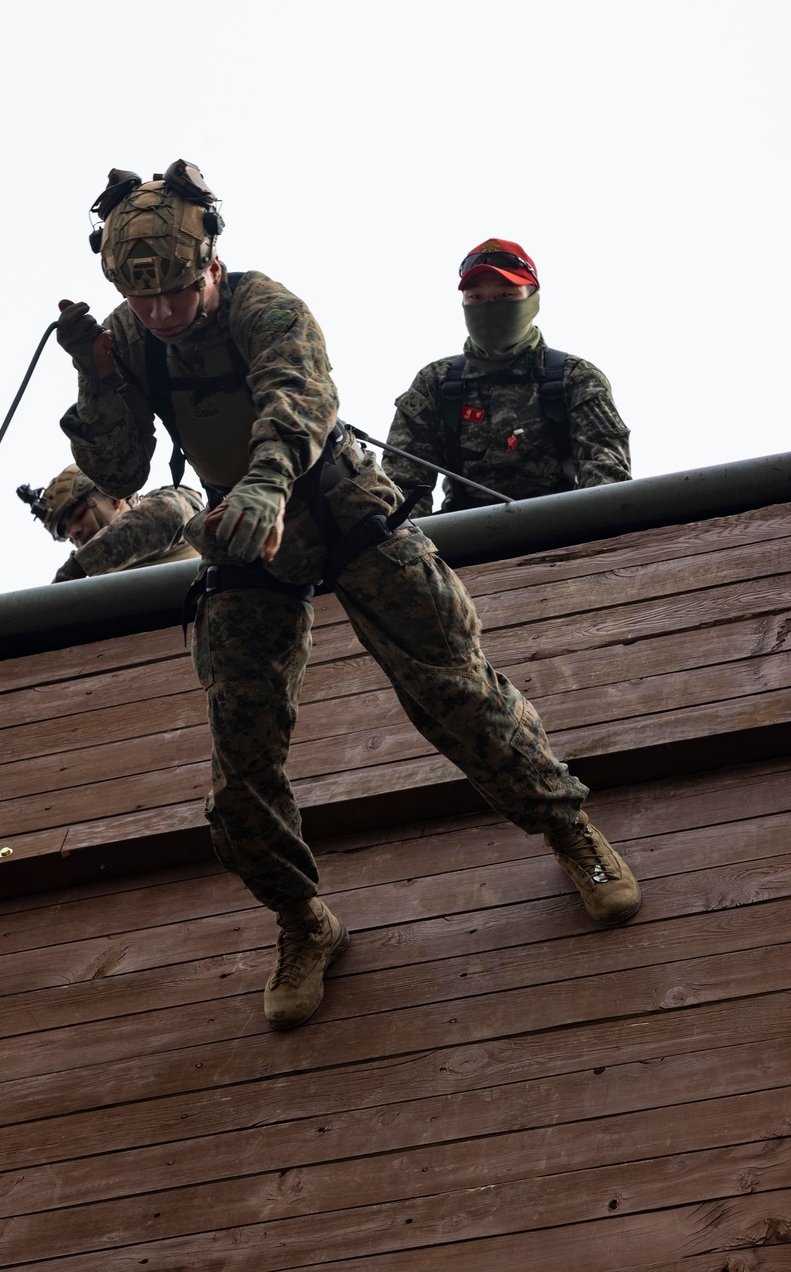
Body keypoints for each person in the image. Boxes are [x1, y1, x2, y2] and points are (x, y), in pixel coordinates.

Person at [57, 163, 641, 1031]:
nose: (162, 314)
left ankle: (568, 830)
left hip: (334, 502)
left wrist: (264, 481)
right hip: (244, 540)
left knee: (452, 681)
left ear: (209, 263)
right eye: (143, 301)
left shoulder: (266, 305)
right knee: (239, 761)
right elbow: (116, 469)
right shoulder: (132, 338)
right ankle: (302, 920)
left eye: (176, 294)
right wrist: (98, 375)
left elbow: (300, 397)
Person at [384, 238, 631, 511]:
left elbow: (608, 480)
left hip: (563, 530)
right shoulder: (435, 383)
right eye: (476, 298)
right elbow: (401, 489)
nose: (489, 308)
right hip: (461, 538)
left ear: (532, 301)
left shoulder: (575, 378)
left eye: (505, 296)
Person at [17, 462, 202, 581]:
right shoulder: (98, 585)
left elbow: (169, 514)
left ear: (114, 499)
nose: (73, 532)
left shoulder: (172, 500)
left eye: (80, 514)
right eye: (66, 533)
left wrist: (79, 566)